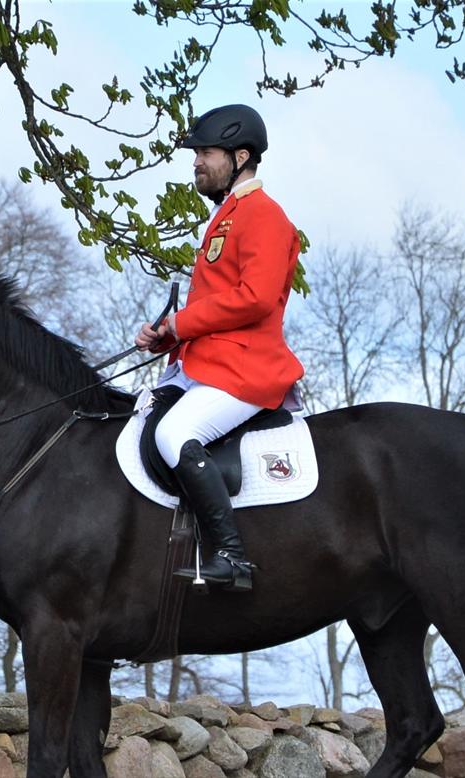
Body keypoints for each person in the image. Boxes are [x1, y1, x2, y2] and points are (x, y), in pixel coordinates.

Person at [134, 103, 304, 592]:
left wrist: (181, 323)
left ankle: (231, 556)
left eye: (206, 153)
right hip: (207, 365)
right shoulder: (226, 216)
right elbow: (216, 305)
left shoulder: (265, 216)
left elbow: (254, 298)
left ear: (241, 156)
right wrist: (167, 334)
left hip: (247, 371)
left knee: (174, 435)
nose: (197, 162)